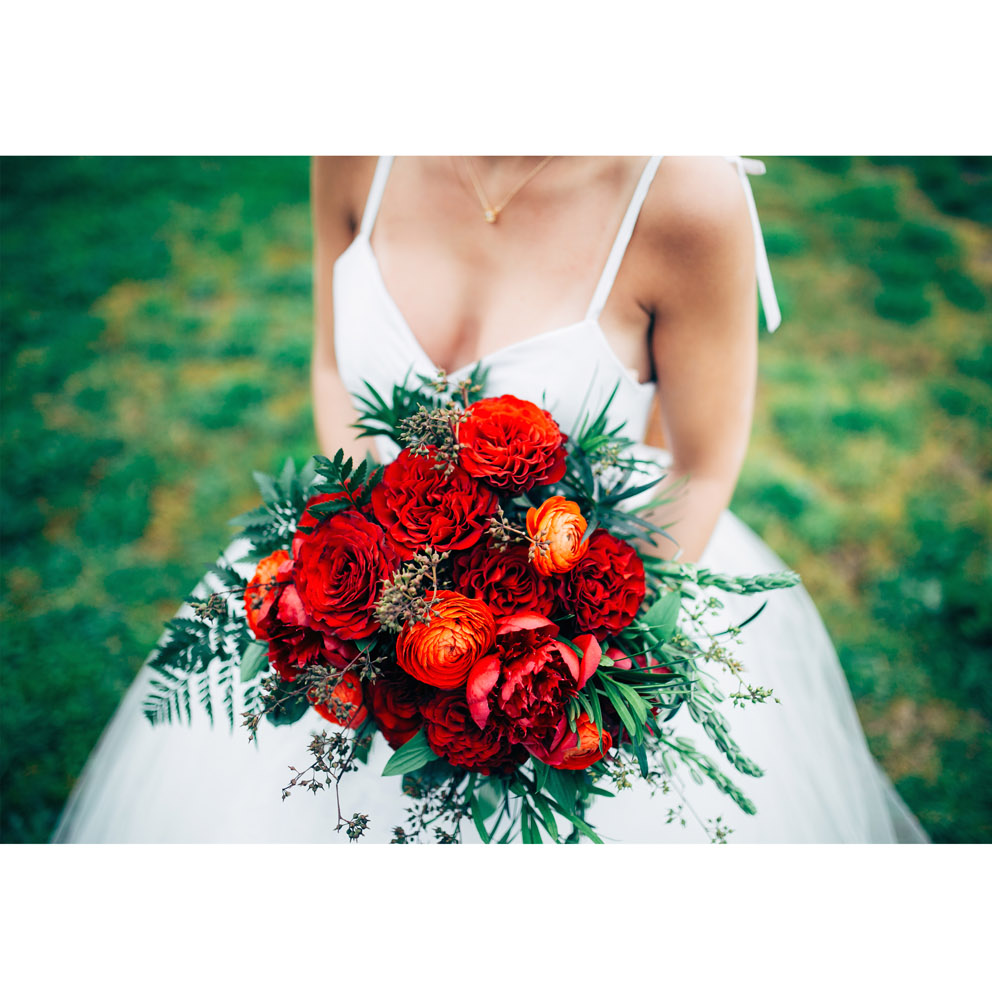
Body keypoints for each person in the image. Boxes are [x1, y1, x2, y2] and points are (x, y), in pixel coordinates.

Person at [53, 156, 926, 843]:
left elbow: (701, 461)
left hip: (572, 628)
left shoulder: (687, 198)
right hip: (355, 609)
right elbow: (330, 362)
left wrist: (558, 667)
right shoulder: (359, 141)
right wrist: (359, 592)